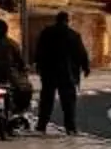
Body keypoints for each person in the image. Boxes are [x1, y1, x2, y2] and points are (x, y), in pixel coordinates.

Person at [33, 10, 91, 138]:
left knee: (47, 100)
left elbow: (39, 50)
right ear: (67, 21)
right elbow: (81, 53)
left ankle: (42, 125)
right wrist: (86, 67)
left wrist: (38, 65)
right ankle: (70, 128)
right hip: (67, 73)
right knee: (68, 102)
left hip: (49, 73)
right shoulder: (73, 35)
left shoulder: (46, 33)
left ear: (56, 20)